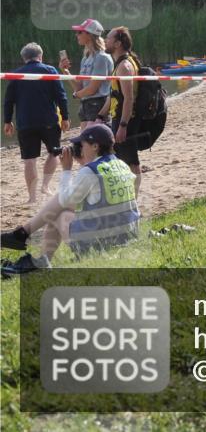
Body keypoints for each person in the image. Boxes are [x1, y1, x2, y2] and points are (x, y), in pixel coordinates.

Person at [0, 124, 139, 277]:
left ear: (95, 146)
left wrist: (66, 170)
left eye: (82, 145)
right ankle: (26, 240)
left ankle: (32, 248)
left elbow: (64, 199)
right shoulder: (122, 165)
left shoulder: (90, 171)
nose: (80, 149)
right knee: (63, 208)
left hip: (101, 243)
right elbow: (95, 197)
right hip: (127, 236)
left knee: (57, 214)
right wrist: (85, 163)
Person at [3, 43, 70, 203]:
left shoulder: (16, 75)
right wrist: (66, 117)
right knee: (54, 153)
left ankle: (32, 197)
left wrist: (7, 121)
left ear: (24, 58)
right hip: (48, 121)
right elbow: (61, 96)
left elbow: (8, 101)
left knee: (29, 160)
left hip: (25, 122)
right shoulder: (50, 71)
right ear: (40, 56)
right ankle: (45, 186)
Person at [99, 27, 144, 195]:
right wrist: (100, 115)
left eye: (108, 38)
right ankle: (128, 196)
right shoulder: (120, 64)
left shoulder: (124, 66)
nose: (105, 41)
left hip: (126, 119)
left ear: (118, 44)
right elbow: (114, 94)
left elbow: (129, 98)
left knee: (131, 162)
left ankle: (133, 198)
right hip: (119, 117)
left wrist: (123, 125)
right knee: (122, 159)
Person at [59, 18, 114, 130]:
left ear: (90, 34)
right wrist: (65, 71)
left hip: (98, 104)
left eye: (80, 32)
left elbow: (92, 89)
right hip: (86, 104)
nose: (76, 35)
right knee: (85, 138)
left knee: (93, 139)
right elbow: (79, 86)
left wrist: (76, 95)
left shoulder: (101, 57)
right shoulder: (86, 58)